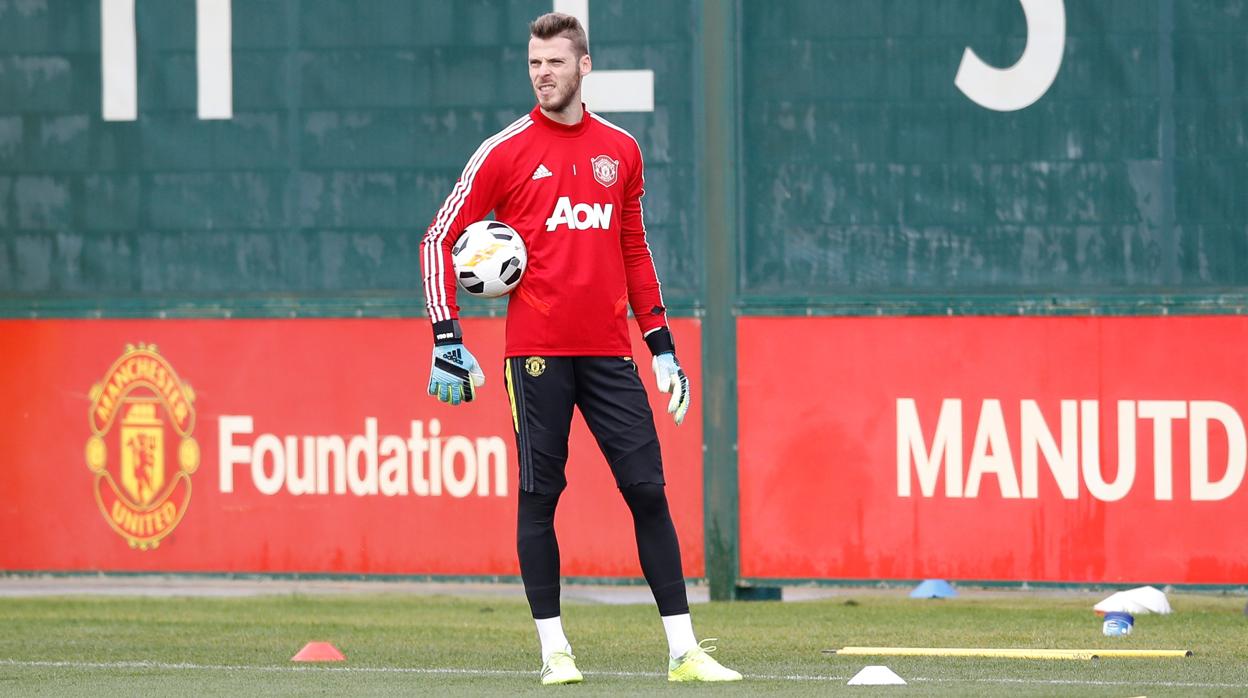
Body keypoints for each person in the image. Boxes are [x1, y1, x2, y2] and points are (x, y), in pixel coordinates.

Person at [420, 11, 741, 686]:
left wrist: (660, 344)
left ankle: (685, 651)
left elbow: (633, 247)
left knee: (648, 491)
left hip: (610, 354)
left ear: (583, 66)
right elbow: (436, 241)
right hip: (534, 356)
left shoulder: (619, 150)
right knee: (540, 496)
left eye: (556, 63)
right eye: (535, 64)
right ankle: (554, 652)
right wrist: (446, 337)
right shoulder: (502, 151)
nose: (543, 74)